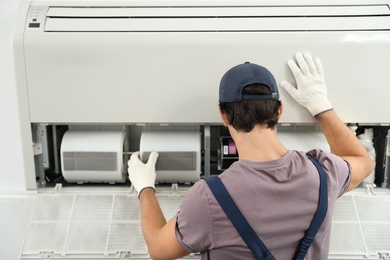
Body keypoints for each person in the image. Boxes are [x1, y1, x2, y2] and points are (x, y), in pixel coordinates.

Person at [127, 52, 374, 260]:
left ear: (223, 115)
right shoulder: (324, 174)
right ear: (279, 110)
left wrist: (145, 188)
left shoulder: (208, 199)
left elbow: (158, 249)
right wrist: (320, 106)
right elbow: (363, 161)